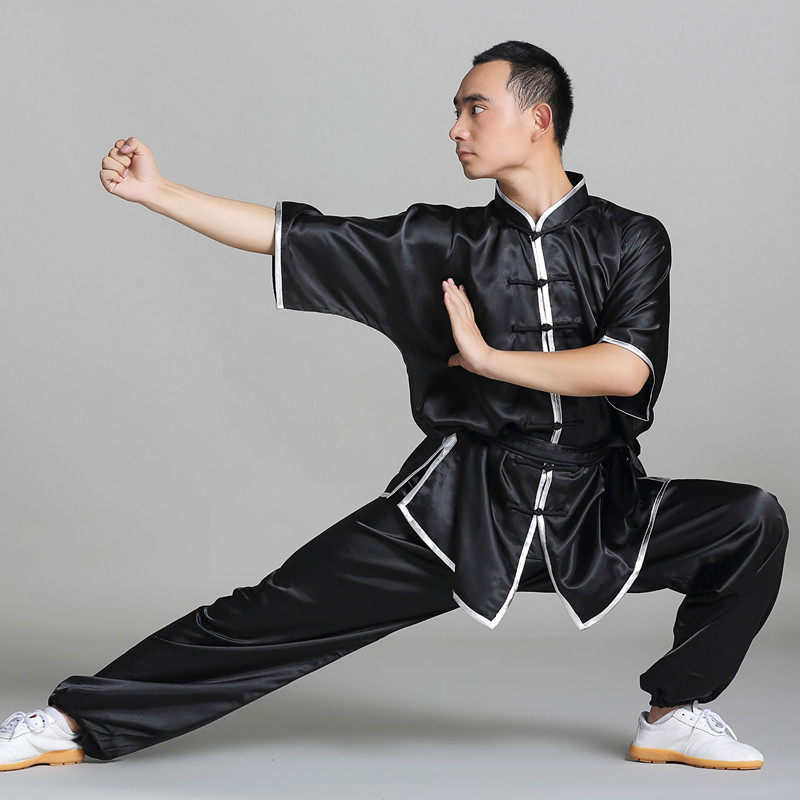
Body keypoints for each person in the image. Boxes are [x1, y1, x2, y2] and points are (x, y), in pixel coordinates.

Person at [1, 40, 788, 773]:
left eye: (475, 108)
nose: (456, 129)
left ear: (538, 119)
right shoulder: (438, 243)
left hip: (598, 508)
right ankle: (71, 722)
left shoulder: (632, 239)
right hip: (459, 507)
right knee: (268, 612)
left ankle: (674, 713)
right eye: (456, 111)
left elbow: (625, 369)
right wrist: (158, 192)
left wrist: (489, 360)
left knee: (750, 521)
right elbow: (290, 235)